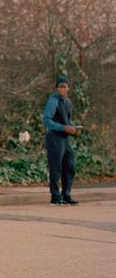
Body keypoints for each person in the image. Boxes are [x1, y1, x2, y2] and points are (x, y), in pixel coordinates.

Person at [42, 75, 82, 205]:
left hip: (65, 138)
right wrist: (63, 128)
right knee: (56, 168)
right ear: (57, 88)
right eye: (60, 87)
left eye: (65, 87)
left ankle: (66, 195)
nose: (62, 89)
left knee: (70, 166)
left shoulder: (68, 102)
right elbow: (46, 120)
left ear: (69, 88)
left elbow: (68, 120)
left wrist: (74, 128)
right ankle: (55, 197)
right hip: (54, 137)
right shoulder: (53, 101)